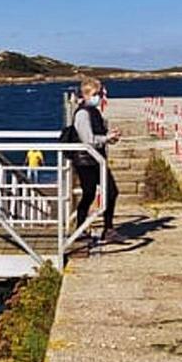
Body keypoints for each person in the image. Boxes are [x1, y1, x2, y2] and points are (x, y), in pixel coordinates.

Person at [71, 77, 124, 243]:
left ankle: (106, 228)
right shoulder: (82, 113)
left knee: (108, 192)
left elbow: (97, 135)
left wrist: (109, 137)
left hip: (95, 159)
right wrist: (106, 138)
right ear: (86, 95)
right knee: (90, 194)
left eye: (99, 93)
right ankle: (84, 228)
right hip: (86, 161)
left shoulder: (93, 112)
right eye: (96, 93)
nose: (99, 96)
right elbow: (88, 139)